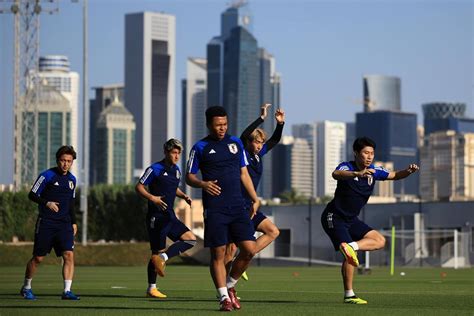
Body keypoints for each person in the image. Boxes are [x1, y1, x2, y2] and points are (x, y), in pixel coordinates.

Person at [321, 136, 419, 304]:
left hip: (352, 220)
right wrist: (356, 173)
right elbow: (336, 174)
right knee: (350, 256)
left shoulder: (375, 171)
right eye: (365, 153)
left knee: (379, 241)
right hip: (334, 217)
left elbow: (394, 175)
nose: (369, 157)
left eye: (372, 153)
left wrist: (408, 171)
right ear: (356, 153)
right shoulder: (347, 166)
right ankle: (349, 294)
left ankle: (350, 247)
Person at [186, 106, 260, 311]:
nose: (222, 128)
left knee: (249, 249)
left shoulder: (236, 142)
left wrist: (255, 198)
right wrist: (202, 184)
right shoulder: (199, 147)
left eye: (225, 124)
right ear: (209, 124)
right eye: (218, 125)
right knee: (218, 255)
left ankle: (230, 285)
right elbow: (189, 176)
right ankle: (223, 298)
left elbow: (244, 173)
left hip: (238, 206)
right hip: (215, 208)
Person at [224, 104, 285, 280]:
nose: (259, 145)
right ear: (250, 142)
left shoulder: (259, 155)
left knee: (273, 231)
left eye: (261, 143)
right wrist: (262, 118)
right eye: (256, 142)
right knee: (230, 248)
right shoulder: (242, 151)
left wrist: (280, 124)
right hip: (236, 205)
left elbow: (273, 141)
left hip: (251, 206)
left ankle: (243, 258)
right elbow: (243, 135)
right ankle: (225, 287)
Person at [136, 138, 196, 299]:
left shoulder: (176, 170)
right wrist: (152, 198)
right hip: (156, 217)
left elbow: (172, 187)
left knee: (190, 240)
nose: (176, 156)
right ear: (166, 152)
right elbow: (139, 187)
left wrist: (183, 196)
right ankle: (151, 288)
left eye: (178, 153)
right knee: (156, 252)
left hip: (170, 215)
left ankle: (163, 258)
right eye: (173, 152)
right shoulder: (154, 169)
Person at [20, 145, 80, 300]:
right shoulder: (47, 175)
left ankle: (67, 291)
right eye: (62, 160)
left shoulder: (72, 180)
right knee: (38, 258)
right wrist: (47, 203)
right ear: (57, 160)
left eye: (68, 161)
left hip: (65, 224)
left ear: (72, 162)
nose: (65, 164)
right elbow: (32, 194)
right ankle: (26, 287)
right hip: (46, 222)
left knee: (68, 255)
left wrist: (74, 222)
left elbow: (71, 203)